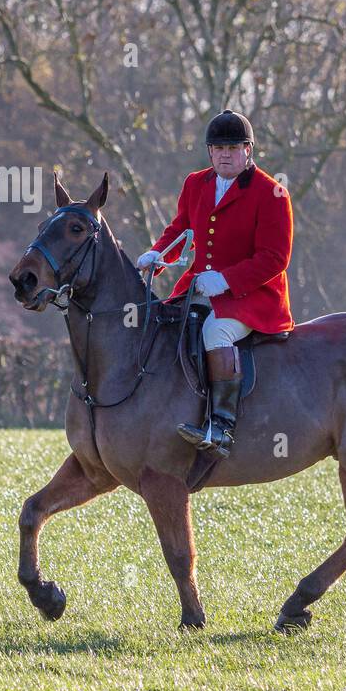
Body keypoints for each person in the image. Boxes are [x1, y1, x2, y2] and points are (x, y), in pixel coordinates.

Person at [136, 109, 294, 454]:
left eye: (234, 147)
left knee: (215, 332)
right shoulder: (196, 183)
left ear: (248, 150)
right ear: (209, 151)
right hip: (199, 287)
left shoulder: (272, 193)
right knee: (164, 323)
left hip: (253, 296)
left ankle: (221, 425)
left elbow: (275, 258)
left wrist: (225, 280)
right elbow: (180, 230)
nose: (225, 154)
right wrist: (156, 255)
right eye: (218, 148)